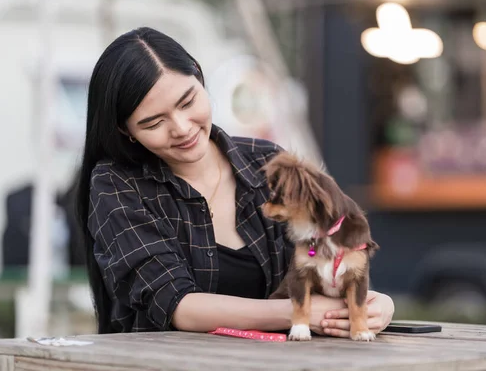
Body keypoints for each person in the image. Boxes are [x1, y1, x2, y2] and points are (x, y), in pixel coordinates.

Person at [75, 27, 394, 335]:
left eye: (187, 102)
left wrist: (378, 305)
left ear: (199, 76)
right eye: (154, 122)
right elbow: (176, 304)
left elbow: (323, 255)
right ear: (125, 130)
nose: (182, 128)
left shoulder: (268, 163)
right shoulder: (116, 185)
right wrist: (299, 310)